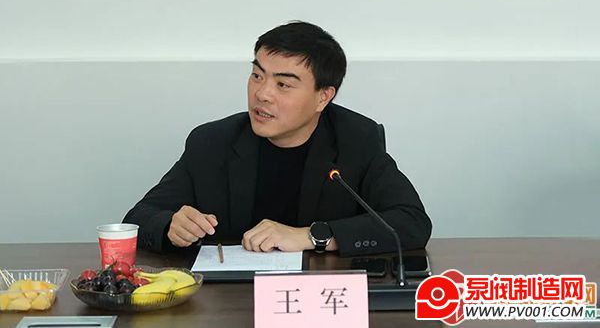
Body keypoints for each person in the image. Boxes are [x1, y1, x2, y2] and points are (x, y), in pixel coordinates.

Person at [124, 21, 431, 256]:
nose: (262, 94)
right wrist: (171, 226)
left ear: (323, 97)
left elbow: (411, 222)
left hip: (318, 299)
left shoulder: (356, 139)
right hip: (230, 301)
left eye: (283, 85)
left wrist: (311, 236)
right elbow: (138, 219)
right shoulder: (212, 143)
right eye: (257, 75)